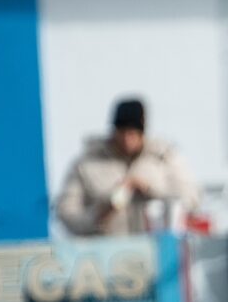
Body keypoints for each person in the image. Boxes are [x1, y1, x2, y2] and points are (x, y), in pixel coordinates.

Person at [56, 98, 200, 235]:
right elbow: (66, 214)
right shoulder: (87, 164)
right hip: (106, 249)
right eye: (121, 132)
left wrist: (149, 190)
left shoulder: (164, 157)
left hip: (156, 248)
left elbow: (191, 198)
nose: (126, 140)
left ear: (142, 132)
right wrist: (101, 212)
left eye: (132, 133)